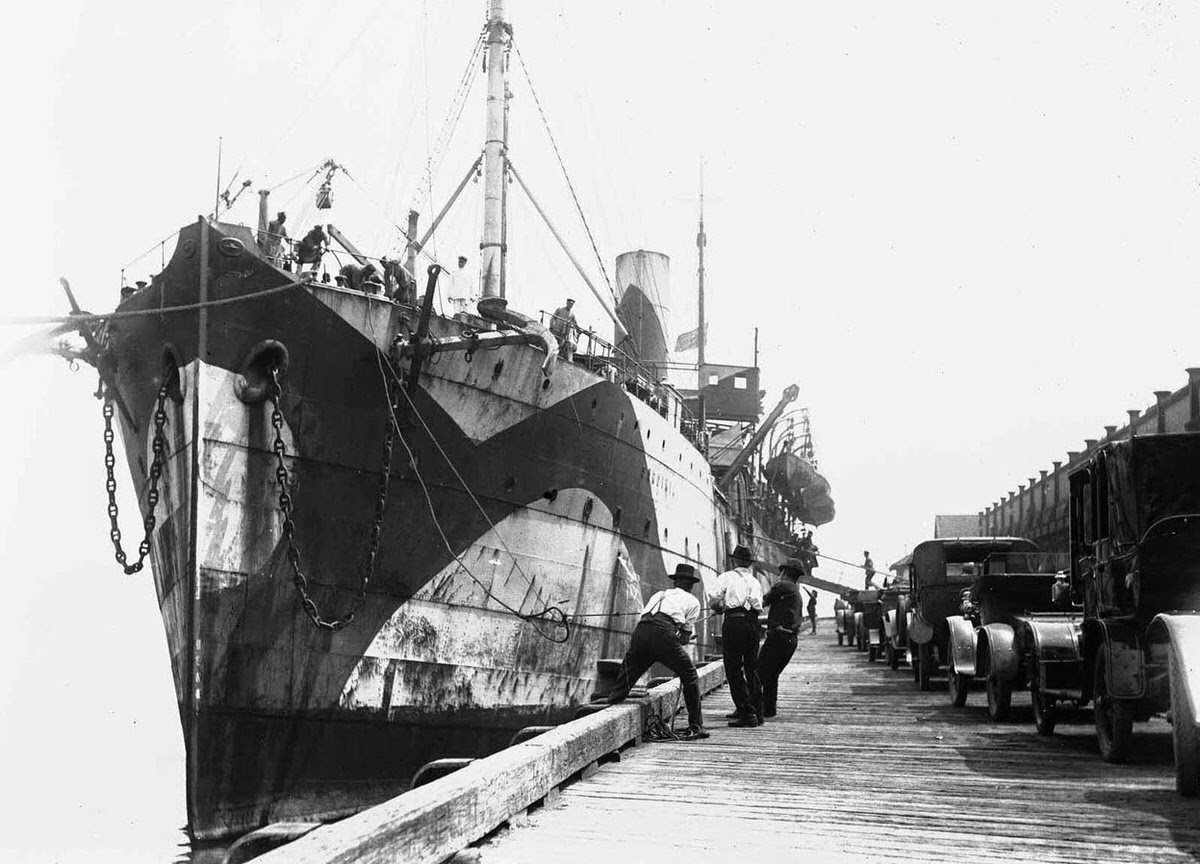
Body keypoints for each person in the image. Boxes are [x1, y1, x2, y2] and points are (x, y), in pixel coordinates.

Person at [607, 558, 709, 741]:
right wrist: (678, 637)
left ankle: (613, 701)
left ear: (675, 582)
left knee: (630, 669)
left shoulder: (659, 595)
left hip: (641, 630)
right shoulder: (693, 601)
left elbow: (651, 620)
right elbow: (684, 639)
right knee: (690, 675)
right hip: (664, 634)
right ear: (690, 586)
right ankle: (696, 726)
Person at [708, 544, 764, 727]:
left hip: (734, 622)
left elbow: (713, 598)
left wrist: (719, 607)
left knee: (733, 668)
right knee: (751, 667)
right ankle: (757, 711)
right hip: (753, 623)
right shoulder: (755, 582)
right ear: (749, 563)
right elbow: (758, 604)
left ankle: (746, 712)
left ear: (734, 561)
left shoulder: (726, 577)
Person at [758, 557, 803, 718]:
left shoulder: (783, 586)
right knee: (772, 674)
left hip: (779, 638)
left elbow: (761, 602)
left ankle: (750, 709)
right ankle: (769, 709)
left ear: (784, 572)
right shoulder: (795, 591)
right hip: (790, 639)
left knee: (759, 672)